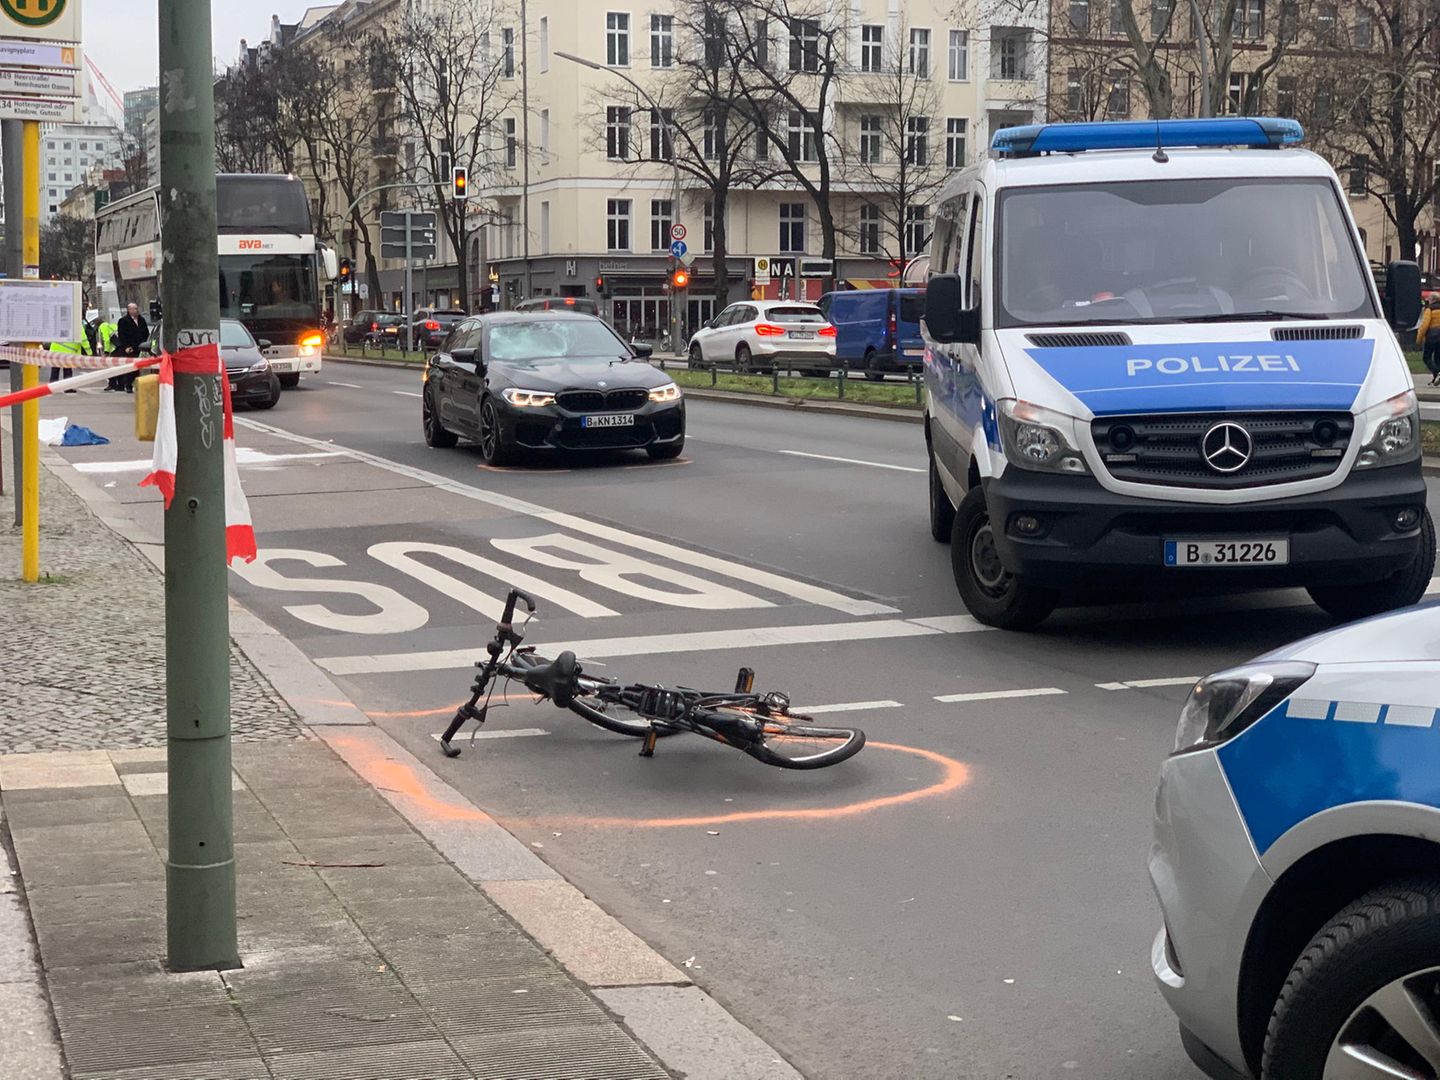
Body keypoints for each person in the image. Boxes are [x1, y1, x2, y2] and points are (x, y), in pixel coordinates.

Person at [114, 301, 149, 393]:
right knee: (131, 367)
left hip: (141, 347)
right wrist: (126, 346)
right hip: (130, 348)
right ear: (129, 310)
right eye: (134, 309)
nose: (137, 310)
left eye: (137, 308)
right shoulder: (123, 321)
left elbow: (146, 333)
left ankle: (136, 383)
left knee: (139, 367)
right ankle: (128, 385)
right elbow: (122, 335)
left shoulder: (142, 320)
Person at [1417, 295, 1440, 387]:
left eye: (1429, 299)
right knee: (1438, 359)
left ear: (1432, 300)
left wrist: (1419, 338)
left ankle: (1437, 373)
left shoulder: (1429, 309)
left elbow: (1425, 325)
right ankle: (1436, 379)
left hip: (1432, 337)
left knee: (1426, 358)